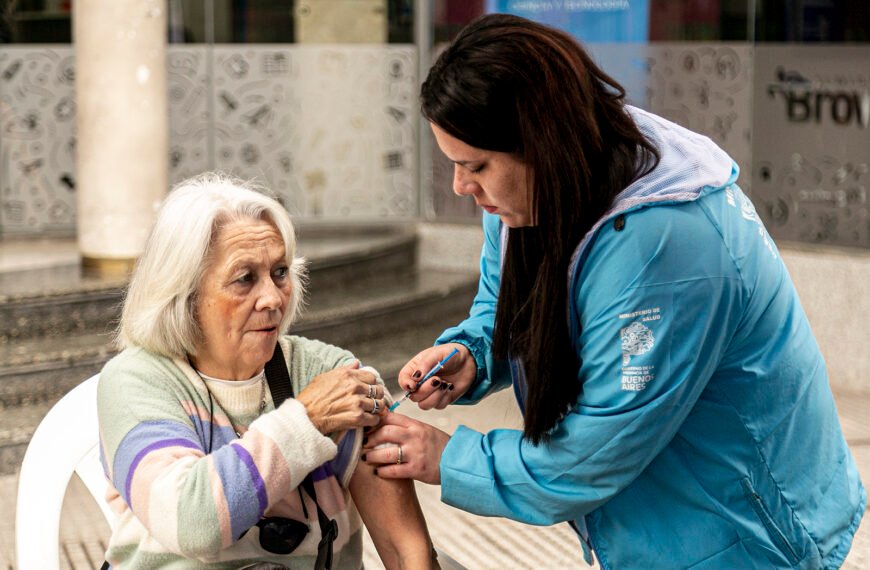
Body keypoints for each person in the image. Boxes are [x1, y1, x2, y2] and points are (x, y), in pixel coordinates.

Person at [362, 13, 865, 569]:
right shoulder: (537, 188)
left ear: (540, 141)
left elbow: (590, 456)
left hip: (742, 532)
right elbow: (505, 300)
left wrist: (445, 456)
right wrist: (475, 352)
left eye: (476, 165)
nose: (462, 186)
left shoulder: (667, 247)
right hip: (662, 524)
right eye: (454, 165)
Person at [97, 173, 437, 569]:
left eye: (280, 272)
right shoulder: (136, 382)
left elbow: (405, 548)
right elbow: (191, 523)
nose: (273, 298)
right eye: (245, 279)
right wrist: (308, 419)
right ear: (185, 295)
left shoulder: (328, 373)